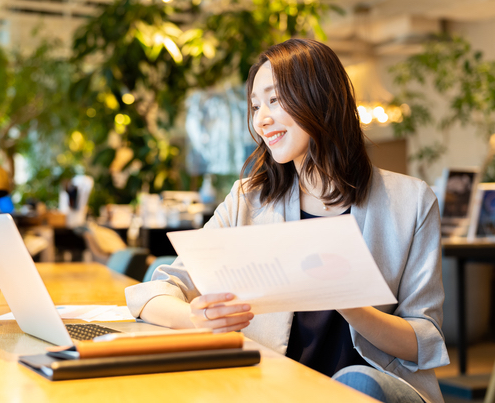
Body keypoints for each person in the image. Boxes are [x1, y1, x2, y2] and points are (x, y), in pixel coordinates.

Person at [125, 38, 449, 403]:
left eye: (275, 100)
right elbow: (152, 293)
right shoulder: (248, 199)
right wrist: (197, 320)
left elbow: (422, 341)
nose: (261, 119)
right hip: (275, 387)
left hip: (378, 389)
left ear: (321, 98)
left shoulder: (411, 201)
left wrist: (348, 301)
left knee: (356, 382)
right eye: (255, 106)